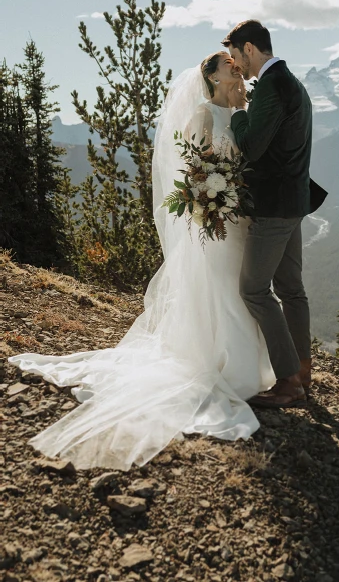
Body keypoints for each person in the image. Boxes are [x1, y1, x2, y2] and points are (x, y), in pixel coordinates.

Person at [9, 51, 275, 470]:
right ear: (210, 76)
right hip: (215, 218)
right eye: (227, 63)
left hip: (237, 217)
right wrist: (211, 197)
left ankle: (254, 364)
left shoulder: (240, 110)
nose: (234, 66)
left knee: (242, 286)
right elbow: (190, 171)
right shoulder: (204, 115)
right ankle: (229, 364)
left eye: (234, 62)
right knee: (223, 287)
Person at [224, 19, 327, 409]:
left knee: (253, 289)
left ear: (249, 49)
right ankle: (302, 370)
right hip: (295, 202)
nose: (238, 66)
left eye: (237, 56)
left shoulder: (270, 86)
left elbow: (250, 146)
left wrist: (238, 111)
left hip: (273, 208)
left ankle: (288, 381)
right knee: (291, 290)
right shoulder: (292, 82)